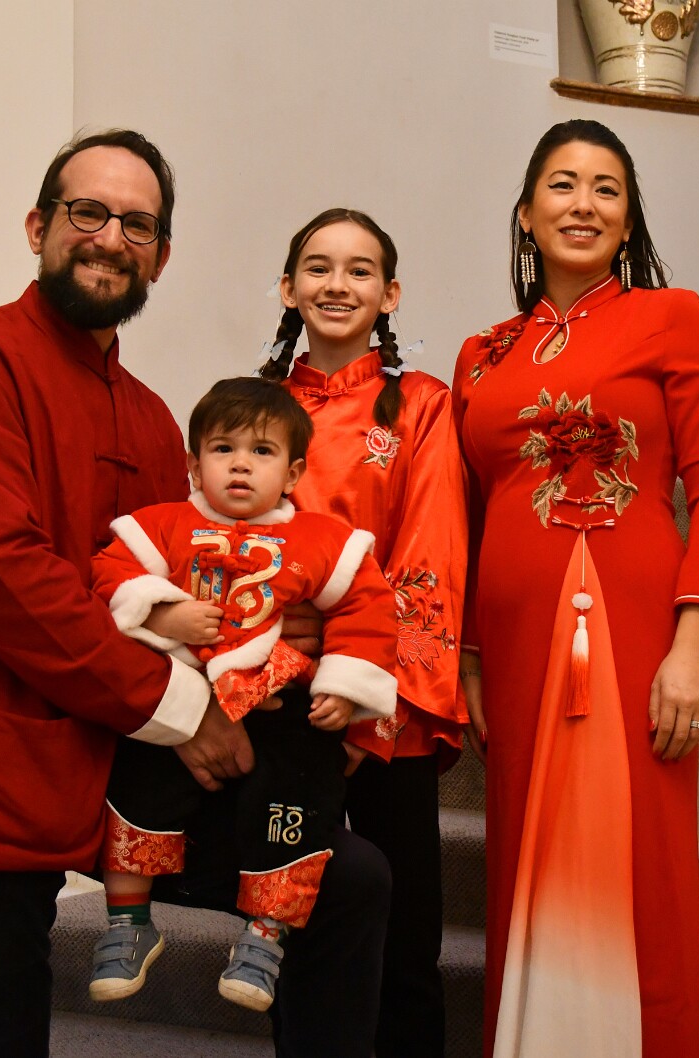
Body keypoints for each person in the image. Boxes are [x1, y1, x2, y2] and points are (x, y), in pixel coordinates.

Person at [0, 130, 391, 1058]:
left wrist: (289, 630)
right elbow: (2, 575)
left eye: (138, 224)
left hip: (114, 763)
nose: (109, 237)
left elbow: (193, 571)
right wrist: (183, 711)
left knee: (352, 878)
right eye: (86, 212)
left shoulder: (146, 416)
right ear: (38, 226)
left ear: (161, 257)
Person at [451, 120, 699, 1058]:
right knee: (525, 867)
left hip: (636, 626)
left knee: (640, 863)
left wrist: (694, 645)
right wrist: (466, 658)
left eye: (607, 188)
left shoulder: (675, 319)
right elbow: (458, 514)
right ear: (527, 213)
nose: (584, 203)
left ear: (628, 219)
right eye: (564, 185)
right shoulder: (482, 354)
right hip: (514, 636)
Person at [87, 375, 398, 1013]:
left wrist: (344, 685)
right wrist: (161, 614)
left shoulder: (324, 541)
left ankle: (266, 934)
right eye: (222, 448)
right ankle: (127, 922)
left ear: (292, 472)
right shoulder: (160, 528)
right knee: (134, 776)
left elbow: (368, 609)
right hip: (182, 698)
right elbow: (105, 577)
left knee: (300, 794)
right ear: (193, 464)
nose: (239, 464)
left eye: (261, 452)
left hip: (276, 701)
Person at [259, 208, 468, 1057]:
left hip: (386, 717)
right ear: (288, 288)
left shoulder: (421, 407)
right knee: (290, 925)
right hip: (277, 698)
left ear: (390, 293)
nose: (336, 285)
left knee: (405, 944)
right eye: (317, 267)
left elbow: (430, 560)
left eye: (358, 270)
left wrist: (364, 699)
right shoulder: (257, 408)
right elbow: (225, 549)